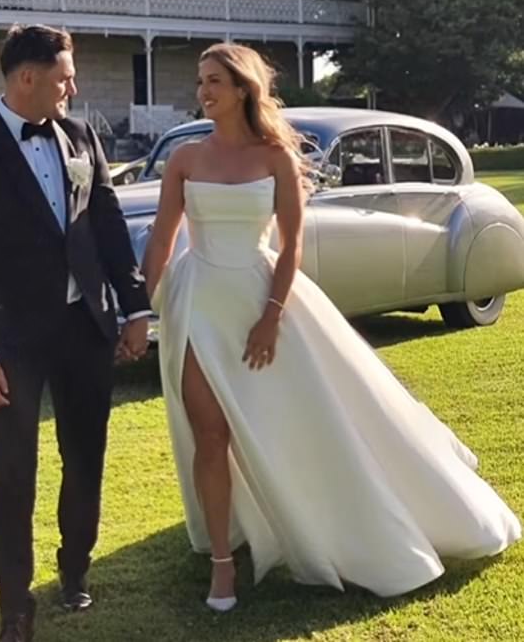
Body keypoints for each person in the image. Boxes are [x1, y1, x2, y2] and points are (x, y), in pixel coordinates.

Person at [142, 42, 520, 612]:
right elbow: (163, 239)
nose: (203, 92)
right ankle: (223, 562)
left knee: (304, 421)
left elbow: (292, 246)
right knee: (210, 435)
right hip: (196, 303)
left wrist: (270, 318)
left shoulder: (274, 158)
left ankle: (332, 516)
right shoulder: (184, 160)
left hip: (261, 296)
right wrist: (153, 303)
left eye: (214, 81)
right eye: (200, 82)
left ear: (243, 88)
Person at [0, 24, 150, 642]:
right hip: (11, 342)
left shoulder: (82, 136)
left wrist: (134, 307)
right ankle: (15, 609)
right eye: (64, 76)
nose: (73, 86)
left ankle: (75, 572)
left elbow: (108, 223)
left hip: (85, 328)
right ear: (26, 77)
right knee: (13, 474)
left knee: (86, 460)